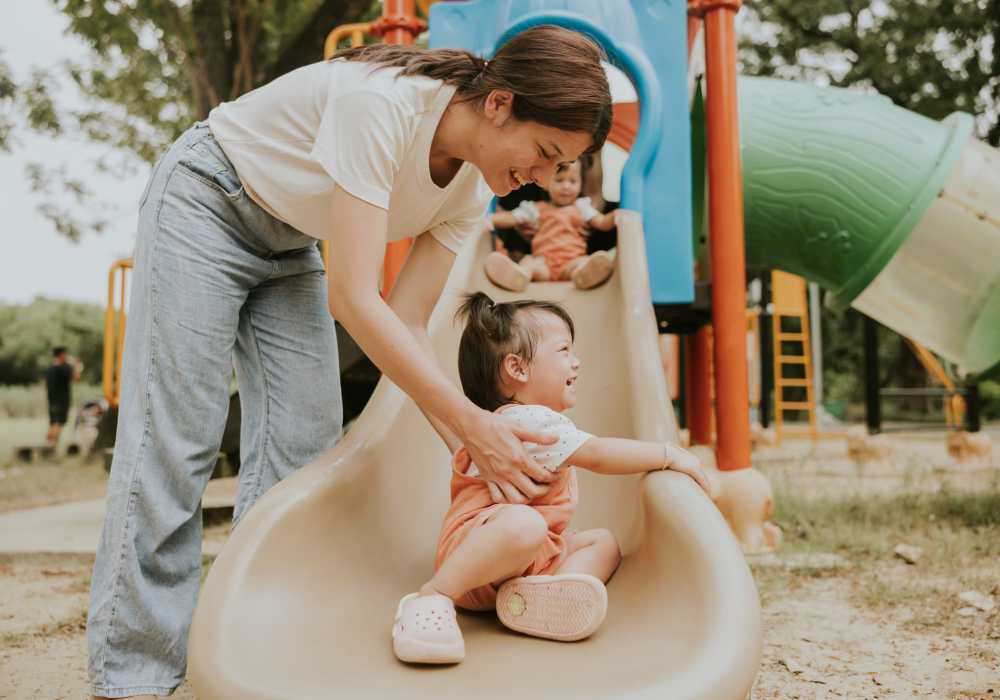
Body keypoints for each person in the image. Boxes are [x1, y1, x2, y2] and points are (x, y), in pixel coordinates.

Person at [86, 25, 612, 699]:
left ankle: (251, 641)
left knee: (303, 445)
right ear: (501, 104)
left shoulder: (470, 193)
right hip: (209, 198)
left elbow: (409, 321)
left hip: (291, 238)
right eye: (544, 153)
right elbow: (355, 300)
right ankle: (134, 676)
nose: (543, 178)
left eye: (559, 164)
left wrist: (476, 448)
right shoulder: (384, 106)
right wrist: (474, 429)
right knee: (179, 436)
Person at [391, 293, 710, 664]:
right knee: (525, 524)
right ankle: (433, 596)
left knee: (602, 543)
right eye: (563, 350)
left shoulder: (494, 428)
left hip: (523, 561)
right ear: (518, 369)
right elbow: (599, 455)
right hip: (473, 554)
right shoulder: (525, 422)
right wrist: (669, 454)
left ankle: (542, 597)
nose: (576, 361)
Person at [482, 158, 621, 291]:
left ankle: (583, 275)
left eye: (573, 181)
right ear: (546, 184)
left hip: (571, 262)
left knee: (583, 262)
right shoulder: (536, 209)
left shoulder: (583, 208)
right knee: (530, 262)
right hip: (544, 264)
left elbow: (602, 222)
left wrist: (615, 216)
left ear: (580, 185)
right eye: (559, 180)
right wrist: (491, 219)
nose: (566, 186)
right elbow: (512, 218)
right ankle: (520, 275)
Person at [44, 346, 82, 447]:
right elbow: (76, 377)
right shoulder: (63, 368)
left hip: (51, 399)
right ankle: (51, 446)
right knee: (58, 423)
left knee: (53, 423)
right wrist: (77, 366)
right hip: (62, 401)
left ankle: (48, 445)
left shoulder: (50, 368)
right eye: (65, 354)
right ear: (61, 354)